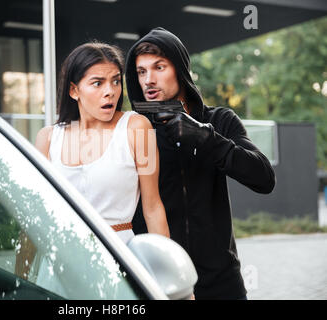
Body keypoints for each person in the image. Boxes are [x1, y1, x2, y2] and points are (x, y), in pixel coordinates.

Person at [125, 27, 276, 299]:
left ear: (180, 70)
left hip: (222, 281)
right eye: (141, 71)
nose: (149, 79)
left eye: (159, 67)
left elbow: (264, 178)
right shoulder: (134, 130)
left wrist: (203, 136)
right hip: (157, 281)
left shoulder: (220, 121)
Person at [35, 42, 170, 244]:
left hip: (116, 254)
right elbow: (36, 214)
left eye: (116, 81)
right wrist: (21, 274)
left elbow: (152, 208)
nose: (111, 91)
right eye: (98, 83)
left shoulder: (137, 128)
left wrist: (166, 270)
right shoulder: (47, 138)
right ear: (74, 90)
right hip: (59, 258)